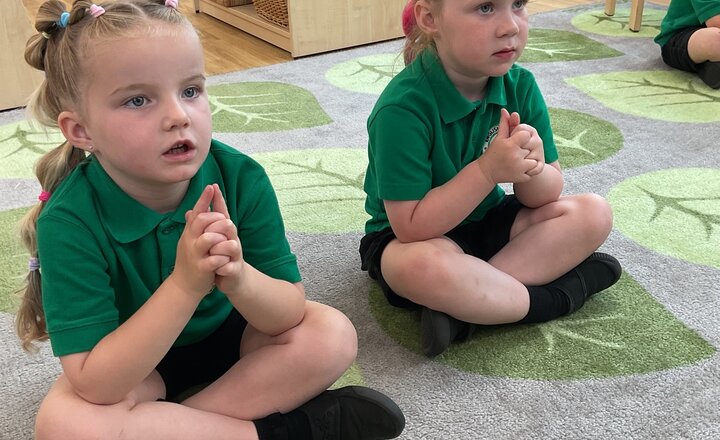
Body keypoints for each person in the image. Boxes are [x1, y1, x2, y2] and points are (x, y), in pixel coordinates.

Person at [15, 1, 406, 439]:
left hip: (237, 335)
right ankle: (291, 430)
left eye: (191, 91)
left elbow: (287, 314)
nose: (178, 116)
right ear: (81, 131)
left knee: (331, 334)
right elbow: (96, 382)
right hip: (135, 362)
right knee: (64, 425)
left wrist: (238, 277)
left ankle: (178, 427)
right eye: (138, 100)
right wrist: (185, 285)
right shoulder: (68, 221)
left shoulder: (240, 177)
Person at [359, 0, 623, 358]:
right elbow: (410, 226)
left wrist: (533, 165)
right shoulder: (402, 109)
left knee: (593, 212)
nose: (510, 25)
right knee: (417, 266)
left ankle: (468, 308)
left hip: (488, 219)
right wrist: (487, 171)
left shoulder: (520, 85)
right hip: (417, 236)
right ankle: (556, 298)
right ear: (430, 18)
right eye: (485, 7)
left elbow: (543, 197)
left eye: (518, 4)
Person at [654, 0, 720, 89]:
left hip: (707, 31)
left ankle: (713, 66)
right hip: (681, 34)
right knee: (715, 40)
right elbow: (716, 23)